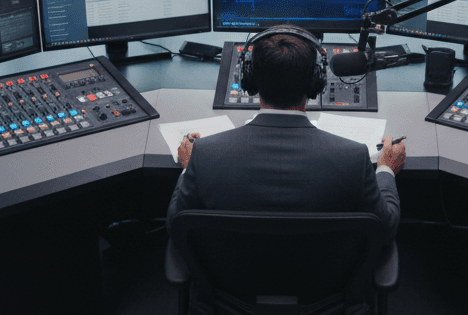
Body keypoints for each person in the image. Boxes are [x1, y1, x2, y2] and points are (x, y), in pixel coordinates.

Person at [167, 28, 403, 244]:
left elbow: (175, 225)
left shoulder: (205, 154)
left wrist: (189, 167)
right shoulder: (354, 158)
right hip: (323, 283)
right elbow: (385, 228)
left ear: (250, 78)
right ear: (316, 82)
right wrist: (385, 169)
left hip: (231, 281)